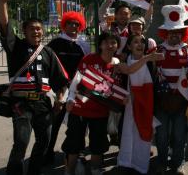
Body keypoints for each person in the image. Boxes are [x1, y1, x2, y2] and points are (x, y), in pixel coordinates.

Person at [62, 31, 163, 175]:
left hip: (101, 112)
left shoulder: (117, 64)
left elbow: (120, 87)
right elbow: (77, 79)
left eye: (113, 42)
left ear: (118, 46)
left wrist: (124, 98)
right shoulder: (89, 58)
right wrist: (70, 98)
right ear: (100, 45)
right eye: (106, 42)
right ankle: (69, 171)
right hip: (80, 109)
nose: (110, 45)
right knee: (74, 145)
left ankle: (95, 170)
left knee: (98, 146)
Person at [0, 0, 69, 175]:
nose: (36, 32)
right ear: (24, 31)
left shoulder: (48, 53)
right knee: (21, 143)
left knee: (44, 142)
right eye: (32, 29)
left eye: (39, 29)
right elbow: (5, 26)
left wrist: (60, 99)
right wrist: (3, 2)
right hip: (21, 104)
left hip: (43, 105)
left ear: (43, 31)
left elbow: (61, 81)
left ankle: (33, 172)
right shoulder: (15, 47)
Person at [44, 11, 90, 164]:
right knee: (54, 123)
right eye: (70, 23)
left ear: (80, 26)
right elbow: (47, 64)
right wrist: (57, 88)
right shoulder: (55, 43)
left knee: (78, 123)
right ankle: (47, 152)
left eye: (76, 24)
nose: (73, 26)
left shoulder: (83, 44)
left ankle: (76, 151)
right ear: (64, 25)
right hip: (60, 90)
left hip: (78, 89)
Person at [155, 5, 188, 175]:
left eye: (177, 32)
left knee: (179, 135)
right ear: (165, 34)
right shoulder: (157, 51)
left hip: (181, 102)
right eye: (170, 32)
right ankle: (161, 162)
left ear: (182, 34)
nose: (174, 35)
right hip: (162, 102)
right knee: (161, 136)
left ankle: (178, 163)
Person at [117, 34, 157, 174]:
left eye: (142, 42)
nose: (140, 44)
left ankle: (140, 164)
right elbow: (128, 71)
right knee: (128, 132)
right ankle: (126, 161)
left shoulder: (151, 63)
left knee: (143, 133)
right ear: (128, 46)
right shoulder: (123, 61)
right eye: (135, 42)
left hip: (146, 105)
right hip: (128, 105)